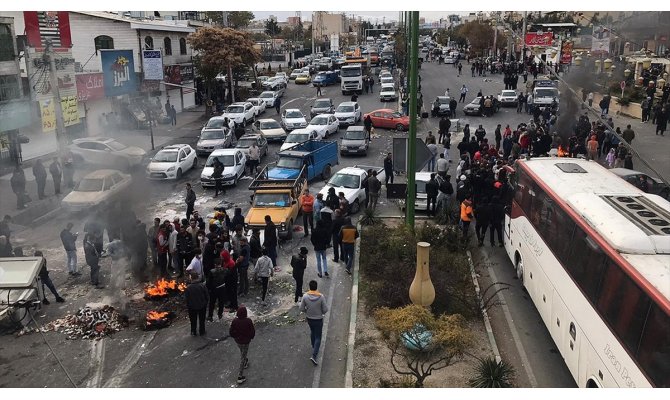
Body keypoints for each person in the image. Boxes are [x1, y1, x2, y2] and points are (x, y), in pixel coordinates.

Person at [300, 280, 329, 366]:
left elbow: (301, 308)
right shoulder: (321, 297)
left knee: (312, 332)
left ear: (310, 287)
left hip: (309, 319)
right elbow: (325, 309)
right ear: (316, 287)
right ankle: (314, 355)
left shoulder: (305, 296)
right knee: (318, 337)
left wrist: (307, 311)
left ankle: (314, 346)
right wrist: (321, 313)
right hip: (318, 320)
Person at [229, 306, 255, 385]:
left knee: (242, 351)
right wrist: (250, 337)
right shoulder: (248, 321)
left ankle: (246, 361)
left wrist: (236, 336)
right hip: (246, 341)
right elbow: (252, 331)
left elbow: (231, 332)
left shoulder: (235, 321)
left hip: (238, 341)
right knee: (243, 357)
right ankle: (240, 376)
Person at [185, 272, 209, 336]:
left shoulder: (188, 288)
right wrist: (205, 303)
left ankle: (193, 331)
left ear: (191, 278)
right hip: (202, 306)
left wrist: (189, 306)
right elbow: (207, 296)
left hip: (192, 307)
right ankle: (202, 331)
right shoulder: (202, 286)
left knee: (193, 320)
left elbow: (187, 299)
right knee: (202, 319)